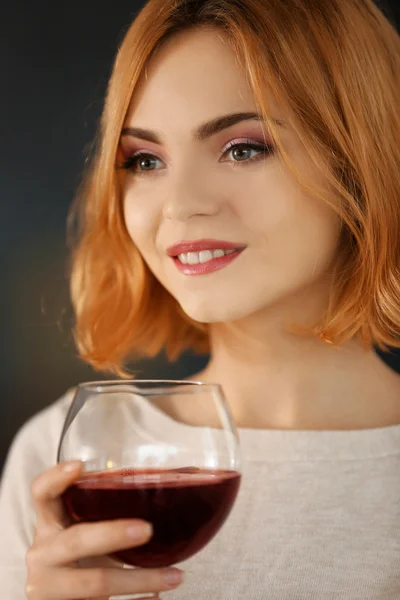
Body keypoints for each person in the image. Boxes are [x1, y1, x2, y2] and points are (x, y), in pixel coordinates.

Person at [1, 0, 400, 597]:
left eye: (243, 148)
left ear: (361, 161)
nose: (179, 204)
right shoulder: (64, 456)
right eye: (144, 160)